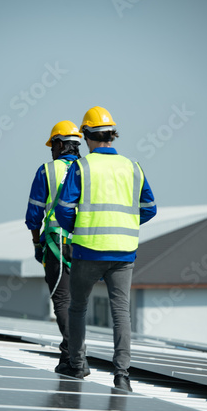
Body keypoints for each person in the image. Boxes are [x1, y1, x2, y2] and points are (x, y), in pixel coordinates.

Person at [55, 106, 157, 391]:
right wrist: (126, 222)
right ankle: (122, 375)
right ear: (112, 135)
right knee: (121, 313)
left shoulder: (82, 167)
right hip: (124, 251)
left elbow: (63, 210)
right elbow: (149, 208)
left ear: (86, 135)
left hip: (88, 249)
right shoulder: (132, 166)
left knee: (77, 308)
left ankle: (76, 366)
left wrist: (80, 227)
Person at [25, 120, 90, 375]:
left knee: (62, 300)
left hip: (58, 244)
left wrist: (36, 243)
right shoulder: (88, 169)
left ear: (61, 144)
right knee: (78, 302)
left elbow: (34, 214)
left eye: (53, 145)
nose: (51, 151)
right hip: (87, 245)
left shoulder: (46, 171)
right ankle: (68, 355)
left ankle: (77, 357)